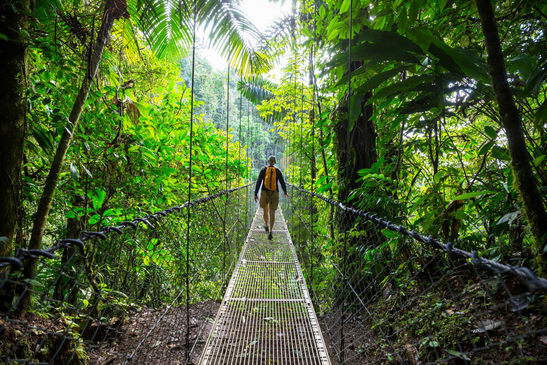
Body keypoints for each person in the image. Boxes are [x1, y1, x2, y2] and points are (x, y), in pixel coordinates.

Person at [254, 156, 288, 240]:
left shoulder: (263, 169)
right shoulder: (278, 171)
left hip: (264, 192)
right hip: (274, 193)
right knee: (272, 213)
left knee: (265, 210)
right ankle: (270, 232)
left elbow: (258, 182)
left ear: (268, 162)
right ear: (275, 162)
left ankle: (266, 225)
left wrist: (256, 194)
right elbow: (282, 182)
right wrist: (285, 192)